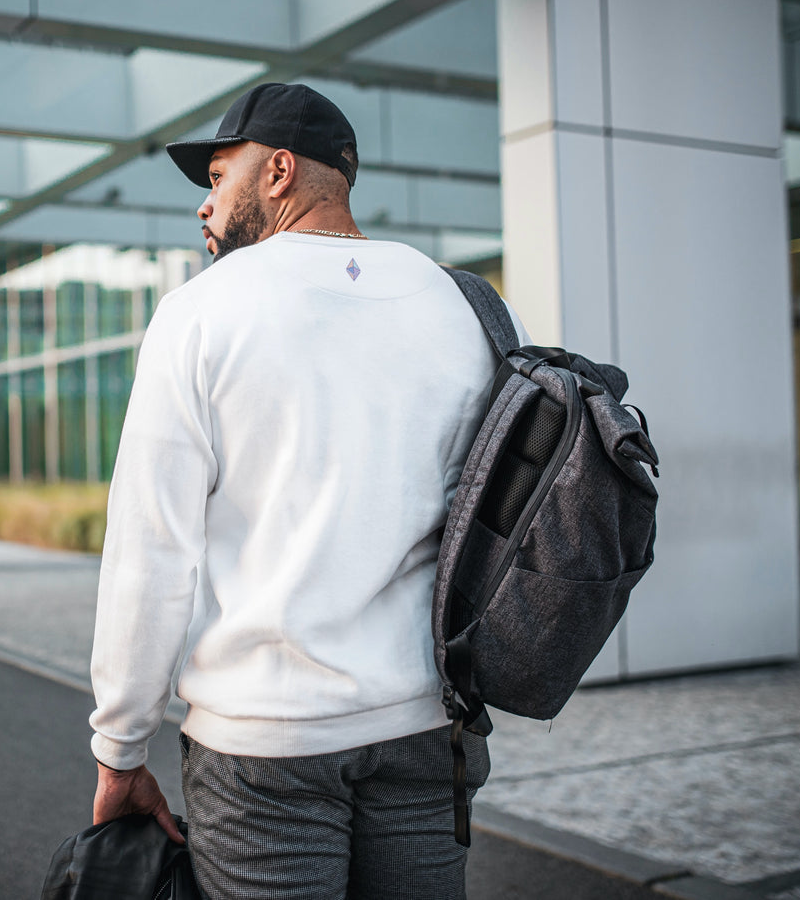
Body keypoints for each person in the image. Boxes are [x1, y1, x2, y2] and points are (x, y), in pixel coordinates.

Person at [87, 82, 530, 900]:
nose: (204, 204)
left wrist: (120, 748)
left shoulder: (198, 314)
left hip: (263, 747)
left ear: (280, 170)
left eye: (218, 178)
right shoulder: (463, 306)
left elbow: (150, 552)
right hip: (425, 727)